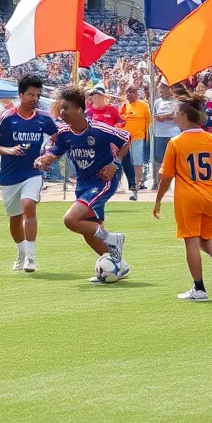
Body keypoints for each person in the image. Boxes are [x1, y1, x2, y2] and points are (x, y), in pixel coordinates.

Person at [35, 86, 131, 283]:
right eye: (60, 108)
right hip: (83, 184)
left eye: (65, 108)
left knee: (71, 220)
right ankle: (116, 266)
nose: (61, 113)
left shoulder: (99, 129)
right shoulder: (64, 134)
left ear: (79, 109)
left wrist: (115, 164)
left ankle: (113, 239)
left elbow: (126, 138)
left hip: (103, 181)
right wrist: (43, 161)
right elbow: (53, 153)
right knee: (88, 231)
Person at [152, 94, 212, 301]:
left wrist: (158, 200)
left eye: (176, 113)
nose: (174, 116)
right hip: (210, 195)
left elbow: (167, 176)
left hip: (188, 197)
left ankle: (199, 288)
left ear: (184, 115)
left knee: (191, 241)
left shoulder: (176, 142)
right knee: (205, 238)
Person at [0, 75, 59, 273]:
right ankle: (21, 251)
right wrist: (9, 150)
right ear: (20, 95)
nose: (34, 98)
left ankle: (31, 257)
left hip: (33, 172)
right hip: (9, 175)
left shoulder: (44, 118)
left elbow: (58, 138)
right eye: (30, 94)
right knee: (15, 217)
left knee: (29, 206)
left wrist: (48, 154)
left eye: (37, 95)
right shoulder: (6, 118)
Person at [120, 86, 151, 196]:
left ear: (136, 93)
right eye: (127, 92)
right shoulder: (124, 105)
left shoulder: (143, 105)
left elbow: (148, 120)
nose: (129, 94)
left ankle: (137, 185)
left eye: (131, 92)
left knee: (137, 162)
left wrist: (143, 132)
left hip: (138, 138)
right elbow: (120, 119)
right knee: (123, 161)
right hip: (124, 138)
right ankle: (124, 183)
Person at [152, 82, 180, 170]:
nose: (161, 91)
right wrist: (160, 117)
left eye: (162, 88)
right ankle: (160, 180)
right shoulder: (157, 102)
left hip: (173, 134)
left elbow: (175, 115)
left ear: (168, 89)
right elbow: (154, 115)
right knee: (160, 160)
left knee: (175, 160)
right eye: (160, 89)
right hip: (160, 134)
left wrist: (164, 116)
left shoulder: (176, 101)